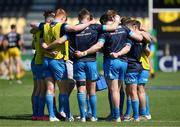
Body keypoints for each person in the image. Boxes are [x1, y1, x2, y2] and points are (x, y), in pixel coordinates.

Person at [43, 8, 120, 122]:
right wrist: (117, 20)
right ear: (90, 18)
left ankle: (83, 116)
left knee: (81, 89)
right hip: (91, 62)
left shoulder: (73, 30)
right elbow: (113, 28)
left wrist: (47, 47)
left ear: (79, 18)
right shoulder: (95, 27)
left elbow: (60, 40)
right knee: (92, 90)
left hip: (78, 63)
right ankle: (93, 116)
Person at [74, 11, 143, 122]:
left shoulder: (105, 32)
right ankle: (125, 115)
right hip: (124, 62)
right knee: (120, 90)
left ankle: (116, 116)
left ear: (105, 21)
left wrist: (85, 52)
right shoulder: (124, 29)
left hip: (112, 62)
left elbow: (99, 45)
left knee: (114, 90)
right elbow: (139, 38)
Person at [40, 8, 97, 122]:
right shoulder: (62, 26)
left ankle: (52, 116)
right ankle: (67, 116)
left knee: (50, 88)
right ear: (63, 18)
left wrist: (47, 50)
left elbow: (42, 42)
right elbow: (73, 29)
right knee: (63, 90)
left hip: (46, 60)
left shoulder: (45, 26)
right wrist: (90, 22)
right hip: (58, 60)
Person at [30, 10, 54, 121]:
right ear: (49, 18)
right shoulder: (44, 29)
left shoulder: (36, 31)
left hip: (35, 61)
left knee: (36, 89)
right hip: (40, 61)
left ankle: (35, 114)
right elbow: (41, 46)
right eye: (53, 17)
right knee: (42, 90)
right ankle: (39, 115)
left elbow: (33, 46)